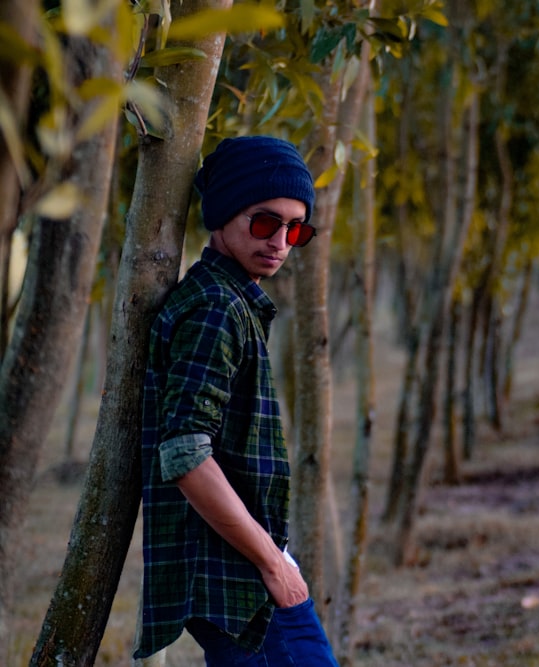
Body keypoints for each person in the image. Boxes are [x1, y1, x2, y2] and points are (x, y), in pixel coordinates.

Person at [134, 135, 339, 666]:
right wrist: (273, 564)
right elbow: (184, 454)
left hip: (240, 572)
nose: (281, 241)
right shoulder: (215, 310)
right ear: (224, 214)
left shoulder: (231, 303)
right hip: (239, 582)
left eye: (296, 229)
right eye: (265, 221)